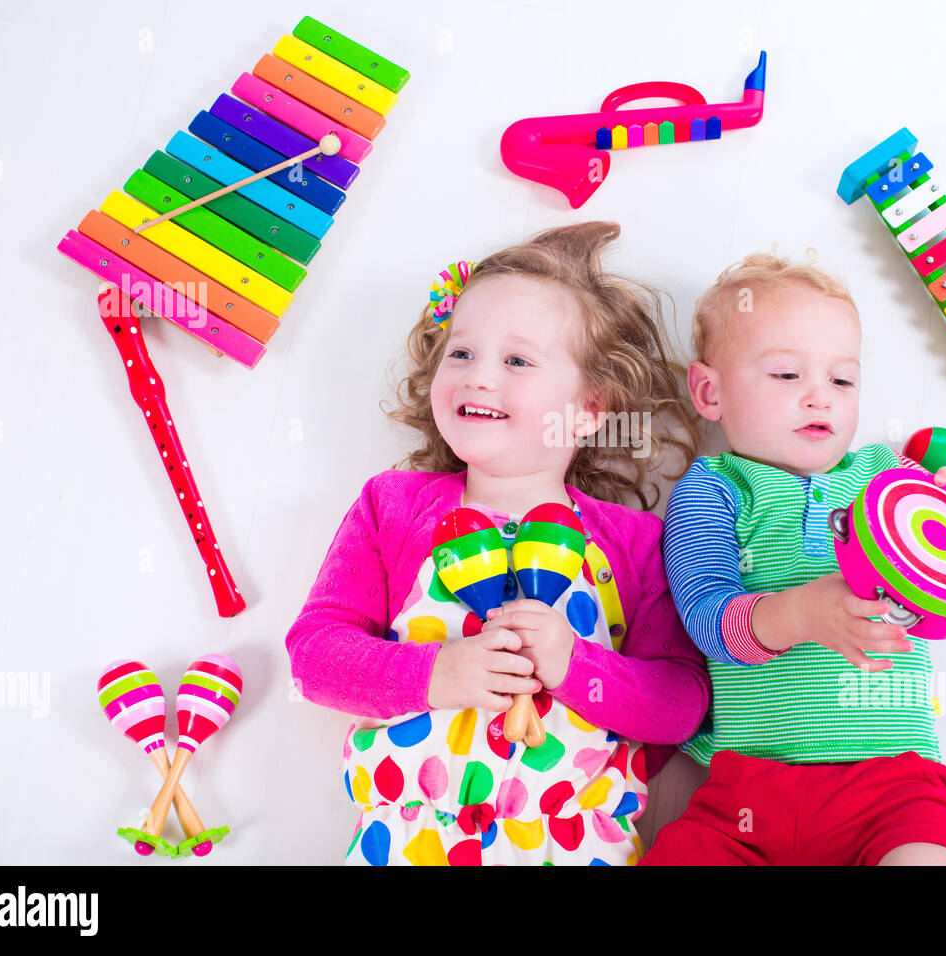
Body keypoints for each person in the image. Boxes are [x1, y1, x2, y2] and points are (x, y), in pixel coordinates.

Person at [285, 222, 709, 865]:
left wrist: (578, 669)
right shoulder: (393, 508)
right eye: (461, 353)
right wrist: (435, 673)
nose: (478, 377)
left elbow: (680, 705)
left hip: (571, 841)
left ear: (590, 407)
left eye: (516, 361)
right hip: (408, 839)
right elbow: (315, 657)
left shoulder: (634, 542)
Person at [640, 251, 946, 866]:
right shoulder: (715, 486)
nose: (819, 398)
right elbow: (707, 619)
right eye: (786, 377)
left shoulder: (892, 475)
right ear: (709, 391)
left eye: (842, 381)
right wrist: (800, 616)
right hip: (746, 796)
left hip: (895, 785)